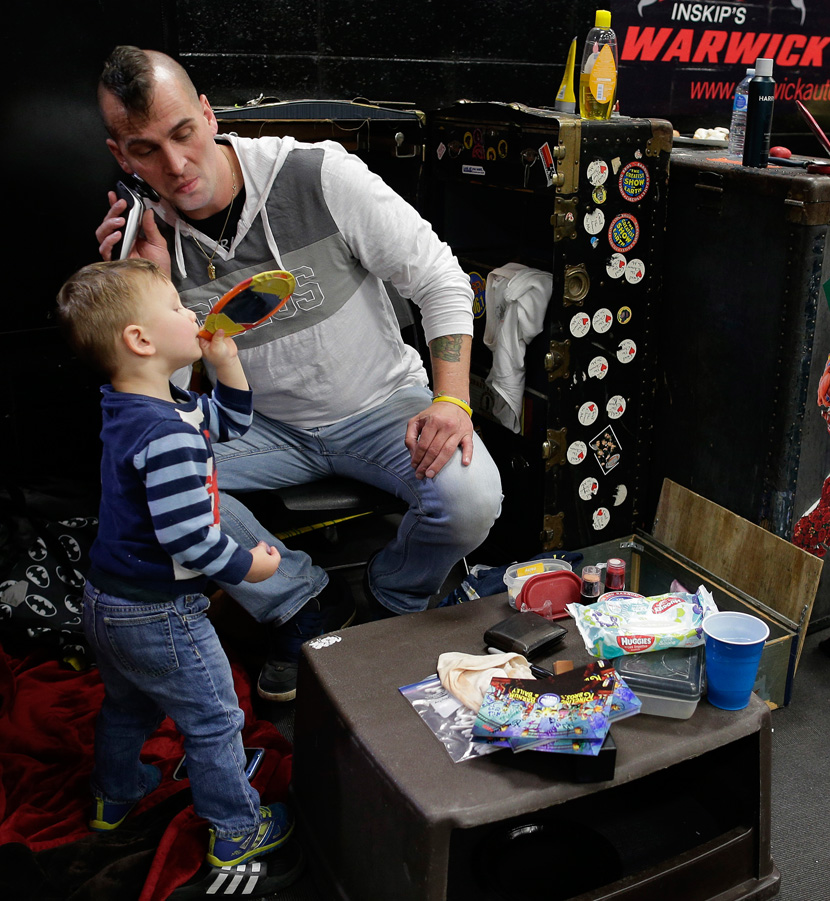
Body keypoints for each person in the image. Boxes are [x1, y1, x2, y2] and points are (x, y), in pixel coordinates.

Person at [93, 47, 504, 702]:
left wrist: (452, 401)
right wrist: (149, 294)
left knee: (472, 497)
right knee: (145, 478)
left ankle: (391, 589)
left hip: (381, 405)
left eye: (183, 133)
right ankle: (296, 599)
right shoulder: (148, 241)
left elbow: (440, 280)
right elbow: (162, 406)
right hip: (260, 426)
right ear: (123, 158)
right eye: (146, 150)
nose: (175, 166)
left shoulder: (317, 175)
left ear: (207, 115)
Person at [55, 258, 293, 868]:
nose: (194, 314)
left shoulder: (134, 406)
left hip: (107, 602)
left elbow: (228, 425)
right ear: (140, 339)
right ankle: (236, 829)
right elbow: (190, 539)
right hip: (159, 614)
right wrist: (250, 567)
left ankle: (115, 795)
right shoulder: (168, 435)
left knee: (128, 705)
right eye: (177, 308)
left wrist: (226, 365)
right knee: (217, 718)